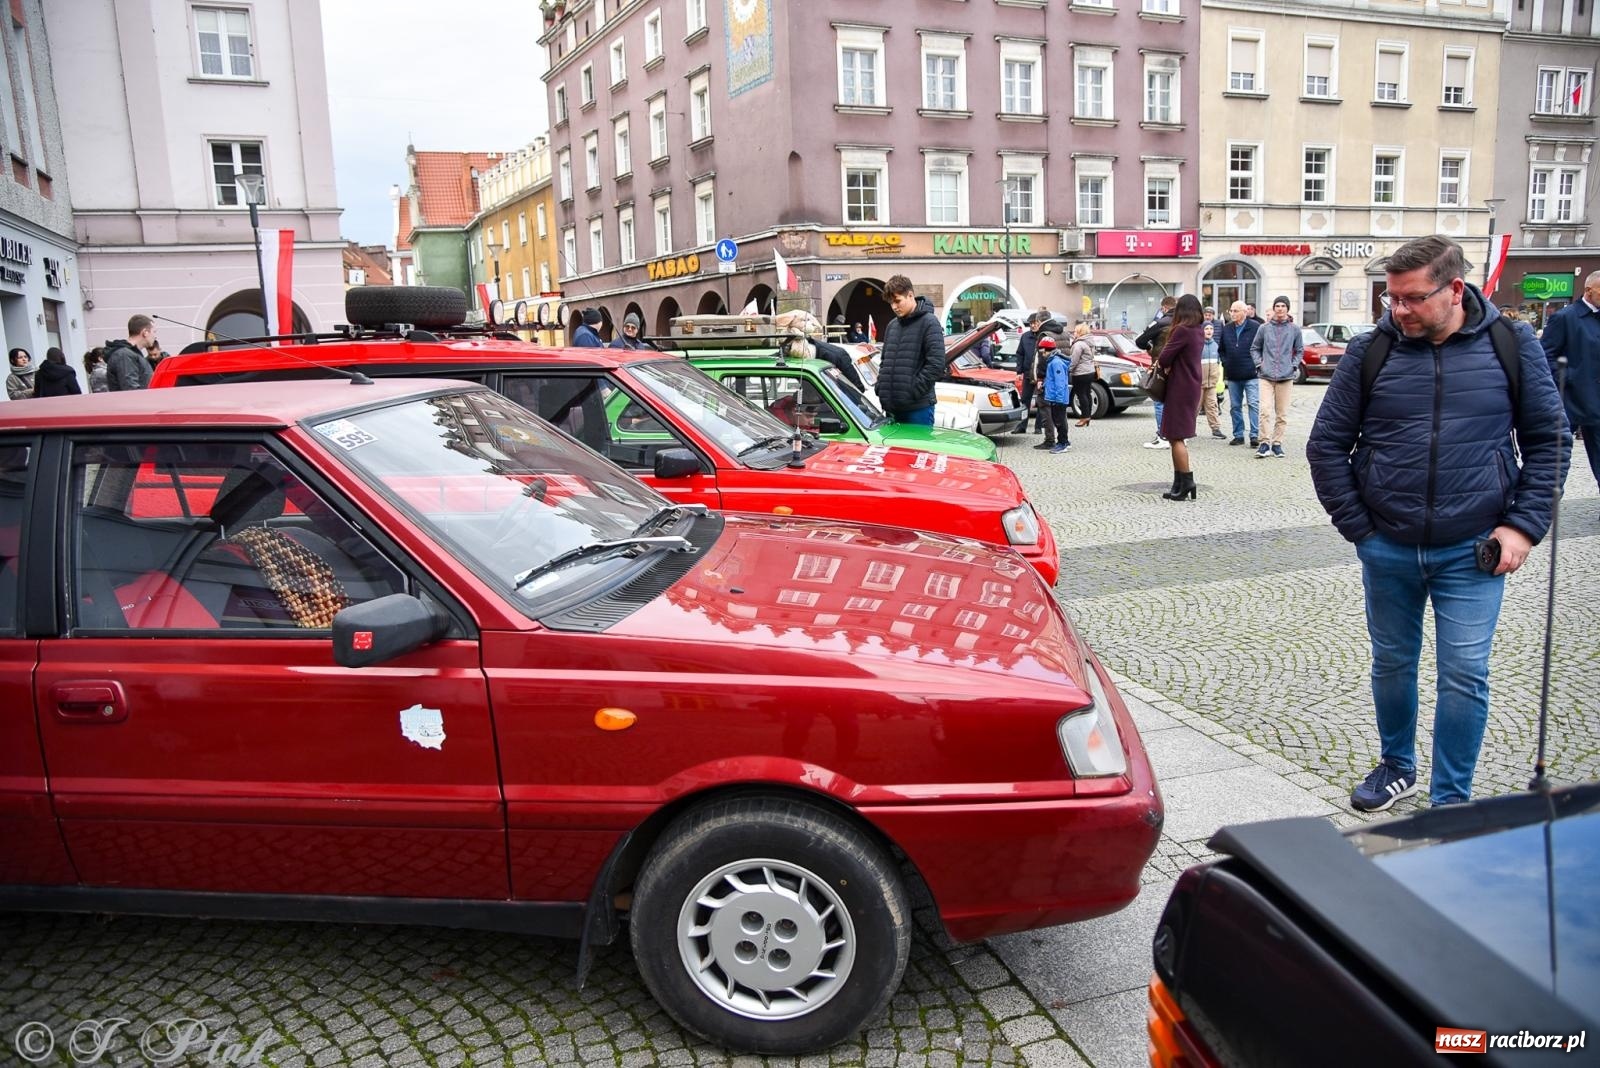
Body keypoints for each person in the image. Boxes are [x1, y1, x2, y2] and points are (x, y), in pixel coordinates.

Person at [1307, 235, 1571, 811]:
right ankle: (1397, 765)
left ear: (1454, 290)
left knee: (1464, 674)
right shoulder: (1370, 349)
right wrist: (1363, 533)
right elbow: (1326, 445)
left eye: (1411, 299)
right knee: (1393, 663)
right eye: (1390, 299)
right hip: (1389, 546)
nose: (1398, 310)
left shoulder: (1511, 342)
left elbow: (1549, 442)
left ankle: (1451, 802)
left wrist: (1523, 528)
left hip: (1474, 549)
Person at [1539, 268, 1600, 495]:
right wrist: (1569, 378)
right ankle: (1543, 504)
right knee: (1556, 458)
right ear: (1588, 290)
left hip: (1597, 402)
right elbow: (1545, 355)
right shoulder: (1565, 317)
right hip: (1570, 401)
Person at [874, 274, 945, 425]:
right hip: (891, 408)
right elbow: (884, 362)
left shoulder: (929, 322)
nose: (894, 306)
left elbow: (936, 364)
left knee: (918, 448)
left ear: (910, 295)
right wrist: (881, 387)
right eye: (891, 303)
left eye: (897, 301)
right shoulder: (892, 325)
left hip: (918, 409)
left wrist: (912, 391)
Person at [1155, 295, 1205, 500]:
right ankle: (1179, 482)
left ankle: (1186, 482)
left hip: (1180, 386)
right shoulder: (1198, 330)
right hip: (1191, 385)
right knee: (1176, 435)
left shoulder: (1182, 330)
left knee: (1176, 437)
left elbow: (1165, 357)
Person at [1252, 296, 1303, 458]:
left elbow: (1300, 349)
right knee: (1265, 410)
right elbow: (1255, 348)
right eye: (1277, 306)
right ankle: (1264, 442)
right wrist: (1260, 364)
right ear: (1273, 308)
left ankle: (1277, 443)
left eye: (1283, 306)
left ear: (1287, 309)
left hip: (1286, 376)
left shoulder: (1294, 329)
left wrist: (1293, 365)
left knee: (1281, 413)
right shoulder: (1264, 328)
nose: (1280, 308)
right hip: (1266, 375)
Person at [1216, 301, 1261, 446]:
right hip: (1233, 374)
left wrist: (1258, 364)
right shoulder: (1227, 328)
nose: (1233, 314)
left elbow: (1262, 347)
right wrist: (1225, 362)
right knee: (1235, 406)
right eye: (1231, 311)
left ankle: (1254, 435)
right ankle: (1238, 435)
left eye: (1236, 311)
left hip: (1251, 373)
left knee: (1253, 404)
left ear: (1244, 312)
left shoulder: (1255, 327)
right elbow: (1221, 349)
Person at [1137, 296, 1177, 449]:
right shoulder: (1185, 323)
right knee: (1175, 401)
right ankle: (1178, 434)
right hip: (1180, 367)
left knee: (1159, 399)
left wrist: (1149, 347)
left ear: (1164, 308)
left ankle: (1163, 435)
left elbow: (1140, 340)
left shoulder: (1161, 322)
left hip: (1160, 365)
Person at [104, 314, 157, 391]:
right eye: (154, 332)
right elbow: (130, 390)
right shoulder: (124, 355)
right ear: (145, 332)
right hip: (137, 402)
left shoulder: (131, 354)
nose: (155, 336)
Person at [1041, 335, 1073, 453]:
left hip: (1058, 398)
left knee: (1059, 421)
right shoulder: (1053, 361)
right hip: (1055, 397)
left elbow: (1060, 382)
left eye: (1042, 350)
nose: (1041, 353)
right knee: (1059, 420)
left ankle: (1062, 443)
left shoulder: (1055, 362)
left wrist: (1059, 398)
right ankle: (1064, 441)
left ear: (1046, 349)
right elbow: (1052, 379)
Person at [1198, 308, 1224, 439]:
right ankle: (1188, 429)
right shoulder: (1197, 345)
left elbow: (1218, 363)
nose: (1209, 331)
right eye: (1206, 329)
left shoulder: (1216, 346)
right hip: (1198, 384)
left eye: (1211, 329)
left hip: (1211, 383)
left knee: (1212, 406)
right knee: (1194, 408)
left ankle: (1216, 429)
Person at [1015, 311, 1042, 432]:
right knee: (1025, 400)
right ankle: (1022, 426)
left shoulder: (1044, 335)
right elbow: (1020, 354)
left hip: (1041, 373)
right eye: (1031, 323)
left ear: (1039, 323)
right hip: (1027, 373)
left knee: (1041, 401)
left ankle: (1039, 427)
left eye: (1035, 323)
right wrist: (1019, 371)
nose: (1033, 325)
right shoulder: (1025, 336)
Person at [1069, 322, 1098, 428]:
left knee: (1081, 394)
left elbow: (1074, 360)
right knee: (1087, 393)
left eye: (1076, 331)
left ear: (1080, 332)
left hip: (1080, 372)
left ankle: (1084, 417)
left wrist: (1068, 370)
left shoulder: (1079, 344)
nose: (1074, 333)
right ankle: (1088, 415)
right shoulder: (1090, 342)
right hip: (1089, 371)